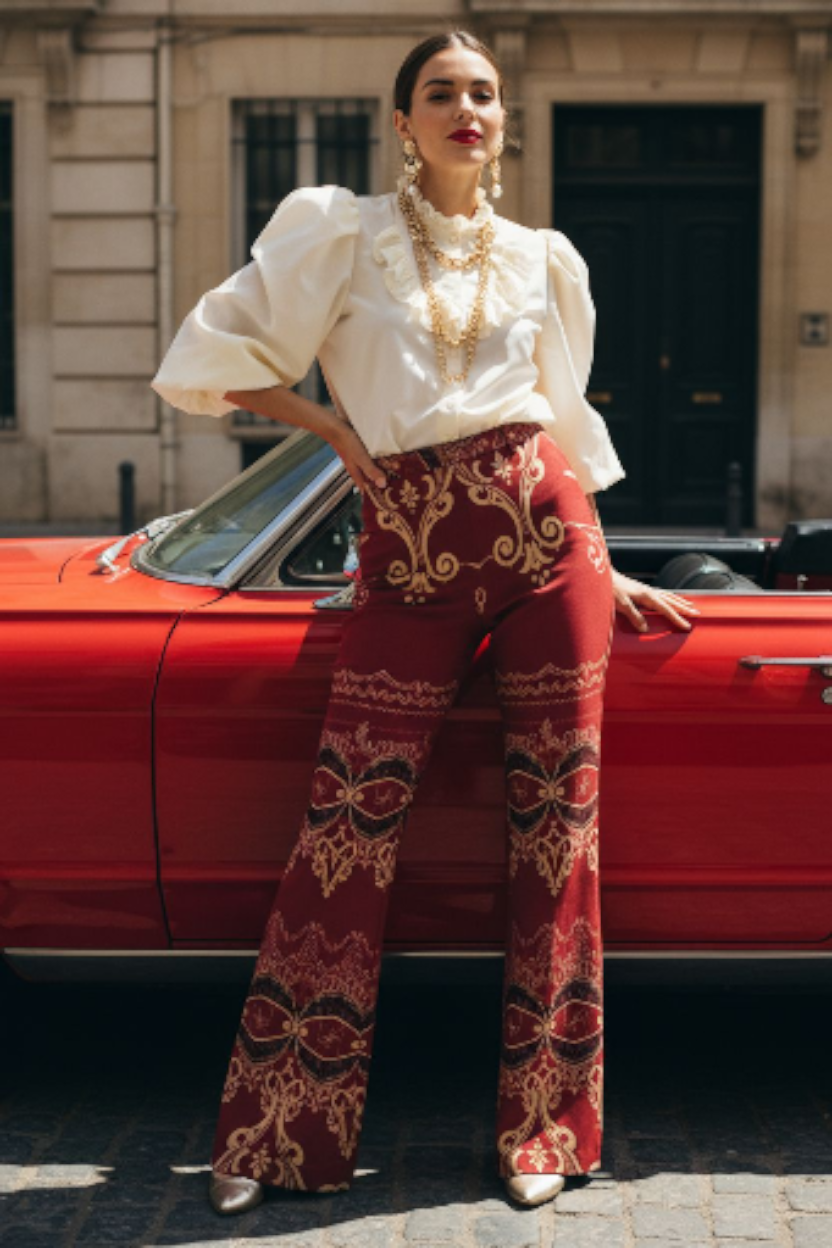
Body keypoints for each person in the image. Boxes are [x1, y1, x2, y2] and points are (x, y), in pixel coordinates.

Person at [151, 29, 699, 1215]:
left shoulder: (543, 257)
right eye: (441, 93)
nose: (466, 109)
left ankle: (543, 1131)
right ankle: (274, 1133)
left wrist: (611, 561)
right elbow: (212, 358)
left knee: (558, 840)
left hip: (552, 548)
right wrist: (338, 433)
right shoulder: (338, 233)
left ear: (504, 122)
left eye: (485, 94)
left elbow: (562, 418)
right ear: (402, 120)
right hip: (405, 551)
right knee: (344, 832)